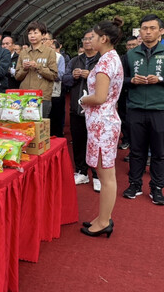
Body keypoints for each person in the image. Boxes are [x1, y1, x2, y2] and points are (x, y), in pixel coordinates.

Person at [122, 14, 164, 205]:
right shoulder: (130, 55)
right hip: (135, 108)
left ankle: (157, 188)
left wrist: (160, 79)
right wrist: (131, 80)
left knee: (159, 151)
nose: (147, 32)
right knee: (136, 150)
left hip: (160, 109)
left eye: (152, 28)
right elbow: (120, 81)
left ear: (161, 31)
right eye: (144, 28)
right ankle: (134, 184)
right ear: (139, 31)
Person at [79, 16, 124, 238]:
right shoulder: (111, 58)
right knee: (105, 173)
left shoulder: (106, 62)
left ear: (104, 38)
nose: (90, 40)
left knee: (106, 177)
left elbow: (99, 97)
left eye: (93, 37)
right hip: (105, 122)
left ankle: (105, 220)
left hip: (102, 124)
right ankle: (102, 216)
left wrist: (82, 100)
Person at [63, 30, 101, 191]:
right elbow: (64, 79)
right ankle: (81, 171)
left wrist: (91, 75)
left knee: (96, 142)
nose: (87, 41)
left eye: (90, 38)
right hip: (77, 107)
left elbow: (112, 82)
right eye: (84, 39)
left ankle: (98, 175)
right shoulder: (75, 60)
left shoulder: (102, 61)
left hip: (96, 109)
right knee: (78, 141)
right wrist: (74, 76)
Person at [15, 21, 57, 118]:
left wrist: (38, 66)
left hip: (42, 97)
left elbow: (53, 75)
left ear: (43, 35)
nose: (32, 36)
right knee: (25, 127)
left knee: (40, 128)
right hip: (24, 96)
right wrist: (24, 69)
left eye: (35, 33)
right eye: (30, 33)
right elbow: (17, 76)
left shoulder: (50, 52)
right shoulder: (23, 53)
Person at [118, 36, 140, 154]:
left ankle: (134, 144)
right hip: (123, 92)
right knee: (123, 118)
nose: (131, 47)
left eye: (134, 45)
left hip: (137, 93)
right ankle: (126, 139)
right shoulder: (121, 58)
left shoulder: (141, 59)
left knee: (134, 120)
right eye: (129, 45)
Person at [46, 37, 66, 137]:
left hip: (54, 93)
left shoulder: (59, 57)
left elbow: (60, 75)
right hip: (38, 94)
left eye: (46, 39)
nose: (44, 42)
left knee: (55, 121)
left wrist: (45, 71)